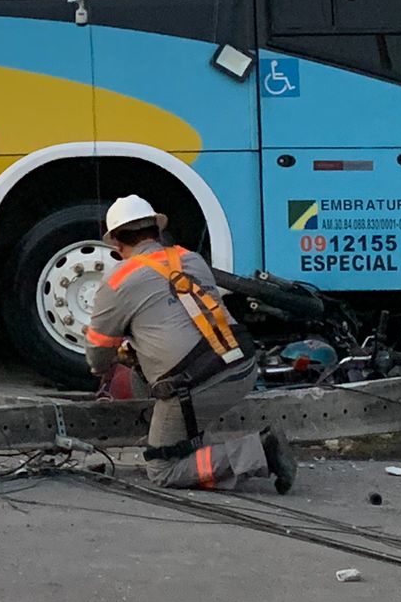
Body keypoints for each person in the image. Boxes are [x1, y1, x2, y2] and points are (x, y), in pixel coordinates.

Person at [84, 195, 295, 493]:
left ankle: (261, 451)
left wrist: (103, 368)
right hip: (243, 365)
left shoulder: (118, 283)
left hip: (195, 384)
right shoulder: (190, 258)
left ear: (117, 244)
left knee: (162, 469)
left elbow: (98, 353)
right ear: (156, 232)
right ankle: (185, 442)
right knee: (143, 379)